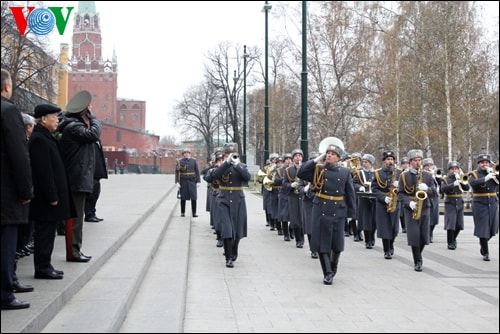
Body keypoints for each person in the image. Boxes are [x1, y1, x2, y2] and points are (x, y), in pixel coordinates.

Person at [298, 142, 356, 285]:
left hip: (338, 208)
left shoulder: (345, 172)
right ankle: (327, 272)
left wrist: (352, 214)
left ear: (338, 158)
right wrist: (315, 160)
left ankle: (333, 265)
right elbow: (302, 173)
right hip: (321, 207)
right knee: (322, 242)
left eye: (333, 154)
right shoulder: (319, 169)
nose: (329, 155)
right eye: (328, 153)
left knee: (337, 243)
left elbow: (350, 193)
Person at [29, 104, 76, 279]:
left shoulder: (46, 136)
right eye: (54, 117)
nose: (57, 120)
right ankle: (42, 268)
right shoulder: (39, 139)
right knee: (44, 233)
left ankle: (46, 265)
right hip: (45, 198)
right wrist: (52, 195)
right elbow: (44, 171)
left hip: (50, 197)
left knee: (49, 233)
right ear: (43, 119)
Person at [1, 68, 33, 309]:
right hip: (5, 194)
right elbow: (19, 156)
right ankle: (5, 294)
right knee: (6, 244)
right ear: (6, 87)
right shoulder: (9, 111)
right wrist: (25, 192)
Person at [58, 90, 101, 263]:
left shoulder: (74, 125)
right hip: (76, 178)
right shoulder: (73, 127)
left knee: (77, 218)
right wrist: (94, 119)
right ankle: (73, 252)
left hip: (79, 177)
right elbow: (93, 135)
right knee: (74, 219)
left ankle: (76, 250)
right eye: (88, 108)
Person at [210, 144, 251, 268]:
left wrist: (237, 164)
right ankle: (228, 257)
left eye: (232, 154)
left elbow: (247, 178)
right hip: (224, 199)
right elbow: (214, 175)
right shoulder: (222, 166)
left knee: (238, 229)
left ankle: (234, 249)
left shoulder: (242, 166)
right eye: (227, 154)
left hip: (238, 199)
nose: (230, 156)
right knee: (227, 229)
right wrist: (227, 163)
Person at [398, 149, 437, 272]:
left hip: (425, 207)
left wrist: (427, 189)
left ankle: (418, 255)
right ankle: (418, 261)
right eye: (415, 160)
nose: (418, 163)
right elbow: (400, 193)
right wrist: (409, 203)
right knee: (414, 235)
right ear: (410, 162)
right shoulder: (404, 176)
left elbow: (435, 192)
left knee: (424, 236)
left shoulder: (428, 175)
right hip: (411, 208)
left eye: (419, 160)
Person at [371, 150, 402, 259]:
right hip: (382, 203)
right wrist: (384, 198)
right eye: (388, 159)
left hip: (395, 201)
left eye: (392, 159)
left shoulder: (399, 173)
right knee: (385, 227)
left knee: (394, 227)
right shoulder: (378, 173)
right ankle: (386, 250)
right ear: (384, 161)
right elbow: (374, 189)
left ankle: (391, 244)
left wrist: (399, 187)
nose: (390, 161)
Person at [468, 154, 498, 261]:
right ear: (478, 164)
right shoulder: (474, 174)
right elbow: (473, 183)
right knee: (483, 228)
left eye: (486, 162)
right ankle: (486, 252)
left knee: (493, 228)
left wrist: (495, 174)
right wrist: (485, 178)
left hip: (493, 203)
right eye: (482, 163)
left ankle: (483, 243)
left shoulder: (494, 173)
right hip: (480, 204)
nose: (485, 165)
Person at [440, 161, 469, 250]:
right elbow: (443, 189)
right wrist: (453, 184)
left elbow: (467, 188)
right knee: (451, 223)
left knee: (459, 224)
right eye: (452, 169)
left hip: (459, 202)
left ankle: (454, 238)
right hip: (450, 202)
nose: (454, 170)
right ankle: (450, 242)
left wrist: (463, 181)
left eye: (456, 169)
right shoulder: (445, 179)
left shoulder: (460, 178)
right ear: (449, 170)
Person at [353, 154, 377, 249]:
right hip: (364, 198)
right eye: (363, 162)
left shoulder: (376, 173)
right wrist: (360, 187)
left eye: (366, 162)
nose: (364, 164)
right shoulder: (359, 173)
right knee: (366, 220)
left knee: (374, 220)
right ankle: (368, 240)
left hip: (374, 199)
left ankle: (372, 236)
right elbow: (354, 183)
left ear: (371, 163)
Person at [283, 149, 305, 248]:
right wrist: (291, 185)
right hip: (293, 196)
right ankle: (298, 240)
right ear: (293, 158)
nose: (298, 157)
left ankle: (303, 237)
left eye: (299, 156)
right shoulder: (288, 170)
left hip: (303, 195)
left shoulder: (305, 168)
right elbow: (284, 184)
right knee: (295, 219)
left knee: (303, 218)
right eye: (295, 156)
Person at [84, 140, 108, 222]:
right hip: (91, 173)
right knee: (90, 195)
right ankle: (89, 214)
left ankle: (92, 212)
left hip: (97, 173)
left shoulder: (97, 142)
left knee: (95, 194)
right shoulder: (89, 141)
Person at [175, 148, 201, 217]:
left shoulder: (193, 161)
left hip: (192, 180)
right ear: (183, 154)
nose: (186, 154)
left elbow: (197, 171)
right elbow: (177, 173)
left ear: (189, 154)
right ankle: (182, 212)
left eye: (187, 153)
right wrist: (177, 182)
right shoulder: (180, 162)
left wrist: (198, 181)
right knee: (183, 197)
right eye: (185, 153)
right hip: (183, 181)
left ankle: (194, 213)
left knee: (194, 197)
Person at [422, 158, 440, 242]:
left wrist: (438, 177)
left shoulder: (434, 175)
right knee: (428, 218)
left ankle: (430, 232)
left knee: (434, 219)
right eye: (427, 166)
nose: (429, 167)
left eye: (430, 165)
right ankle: (428, 235)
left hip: (435, 199)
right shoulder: (423, 175)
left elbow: (440, 186)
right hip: (427, 197)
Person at [399, 157, 410, 233]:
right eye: (403, 164)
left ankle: (408, 225)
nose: (405, 165)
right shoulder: (399, 173)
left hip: (409, 192)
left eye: (406, 163)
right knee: (401, 211)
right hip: (401, 192)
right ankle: (403, 226)